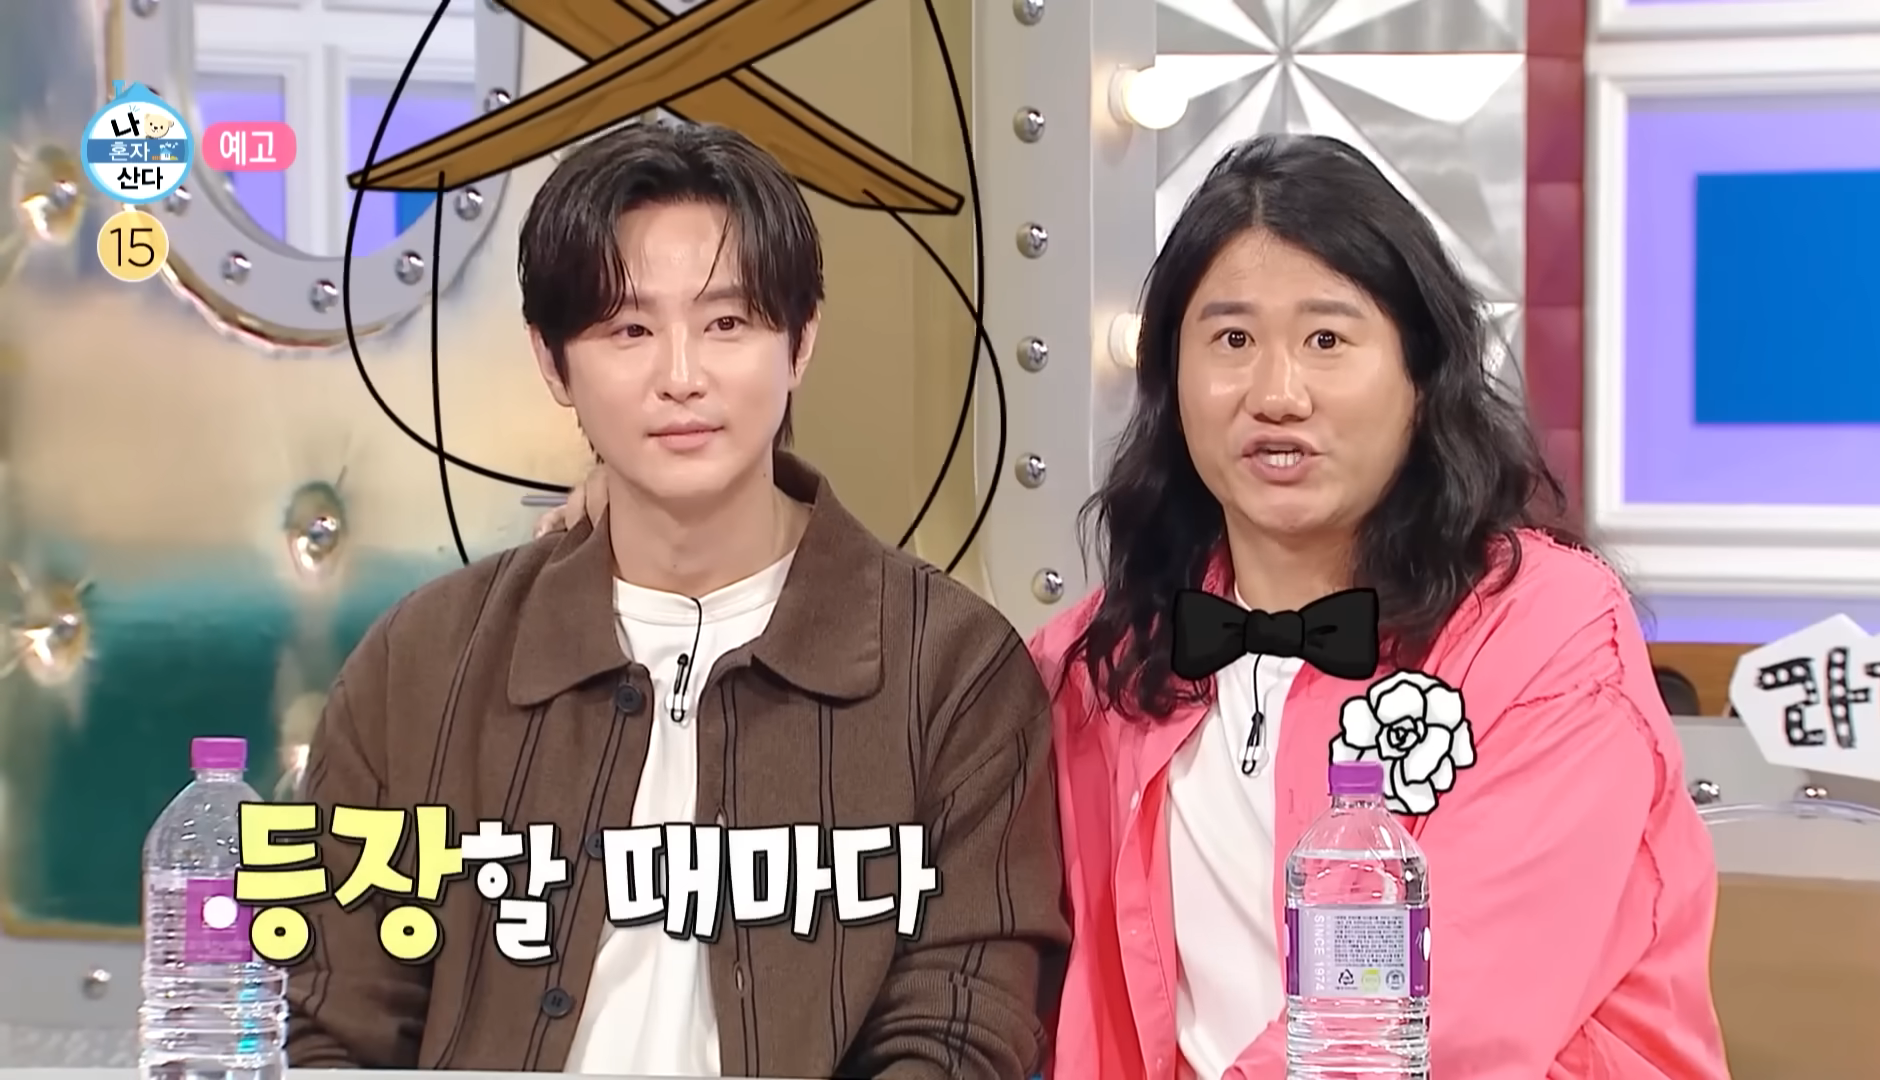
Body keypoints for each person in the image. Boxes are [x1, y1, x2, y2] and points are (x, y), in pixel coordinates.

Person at [288, 120, 1068, 1080]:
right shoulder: (425, 662)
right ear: (552, 362)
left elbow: (960, 1031)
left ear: (801, 342)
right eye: (629, 329)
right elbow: (329, 1023)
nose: (682, 377)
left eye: (727, 324)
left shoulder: (950, 670)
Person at [1028, 135, 1730, 1079]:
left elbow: (1452, 1023)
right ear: (1170, 379)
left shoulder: (1549, 635)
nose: (1277, 394)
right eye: (1232, 340)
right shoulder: (1101, 660)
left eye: (1327, 340)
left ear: (1420, 375)